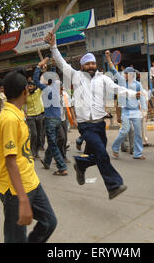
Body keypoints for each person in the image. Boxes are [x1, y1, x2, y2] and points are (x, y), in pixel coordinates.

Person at [48, 32, 139, 199]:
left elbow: (117, 89)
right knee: (102, 154)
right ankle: (113, 185)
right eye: (87, 63)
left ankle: (80, 164)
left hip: (99, 124)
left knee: (98, 155)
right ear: (82, 66)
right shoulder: (75, 76)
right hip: (86, 125)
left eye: (93, 63)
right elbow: (60, 62)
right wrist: (53, 46)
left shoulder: (103, 79)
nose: (91, 65)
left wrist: (134, 94)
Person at [0, 67, 57, 243]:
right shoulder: (9, 118)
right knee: (15, 239)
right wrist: (22, 199)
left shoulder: (18, 113)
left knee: (49, 222)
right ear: (24, 91)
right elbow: (10, 162)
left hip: (31, 181)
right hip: (14, 190)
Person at [33, 57, 68, 176]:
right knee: (53, 141)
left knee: (52, 144)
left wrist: (39, 66)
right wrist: (52, 66)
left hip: (50, 120)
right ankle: (47, 162)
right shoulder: (56, 86)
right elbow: (53, 76)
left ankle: (62, 167)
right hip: (58, 119)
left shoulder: (46, 88)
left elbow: (35, 80)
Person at [109, 65, 147, 160]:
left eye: (126, 73)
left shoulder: (137, 84)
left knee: (137, 133)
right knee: (124, 130)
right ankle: (115, 147)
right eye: (124, 73)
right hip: (125, 111)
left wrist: (144, 110)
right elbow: (114, 71)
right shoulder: (122, 83)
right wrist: (109, 58)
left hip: (135, 111)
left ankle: (137, 153)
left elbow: (142, 97)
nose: (124, 75)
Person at [24, 80, 45, 160]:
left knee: (39, 134)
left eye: (31, 86)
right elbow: (22, 105)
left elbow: (41, 84)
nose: (30, 88)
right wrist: (24, 113)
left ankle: (36, 152)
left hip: (39, 115)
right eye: (28, 86)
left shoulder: (38, 92)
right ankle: (32, 152)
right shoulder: (25, 95)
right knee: (34, 134)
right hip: (30, 116)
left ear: (34, 86)